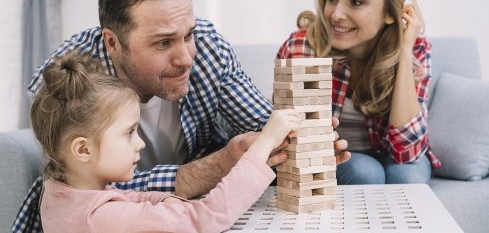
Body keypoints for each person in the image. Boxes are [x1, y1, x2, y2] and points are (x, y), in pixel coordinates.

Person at [13, 0, 350, 232]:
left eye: (187, 35)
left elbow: (267, 125)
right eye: (163, 43)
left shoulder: (206, 47)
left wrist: (300, 145)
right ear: (112, 43)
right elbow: (82, 184)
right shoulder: (66, 83)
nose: (187, 57)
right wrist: (217, 166)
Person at [31, 51, 301, 232]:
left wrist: (165, 202)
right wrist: (264, 142)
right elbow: (205, 219)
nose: (140, 144)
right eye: (129, 133)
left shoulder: (60, 191)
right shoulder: (99, 218)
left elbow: (128, 198)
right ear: (83, 149)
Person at [276, 0, 441, 185]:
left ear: (390, 13)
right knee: (365, 172)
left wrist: (404, 51)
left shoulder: (415, 48)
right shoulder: (303, 46)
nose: (335, 14)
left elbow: (408, 151)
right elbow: (288, 137)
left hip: (392, 153)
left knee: (407, 175)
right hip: (335, 155)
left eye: (355, 1)